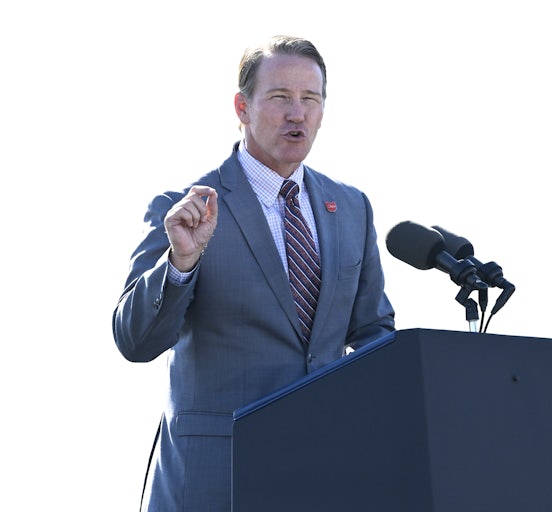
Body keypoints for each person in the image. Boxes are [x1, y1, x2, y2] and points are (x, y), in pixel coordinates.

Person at [112, 35, 396, 511]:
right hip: (216, 479)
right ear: (242, 107)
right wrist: (180, 264)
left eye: (311, 99)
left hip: (325, 475)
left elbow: (373, 333)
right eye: (280, 97)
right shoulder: (184, 211)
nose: (297, 113)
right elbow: (134, 340)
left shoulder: (351, 208)